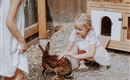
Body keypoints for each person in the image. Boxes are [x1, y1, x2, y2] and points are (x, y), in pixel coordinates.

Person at [0, 0, 29, 80]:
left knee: (11, 75)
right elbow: (9, 22)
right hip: (12, 42)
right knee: (18, 75)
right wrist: (22, 41)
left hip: (8, 39)